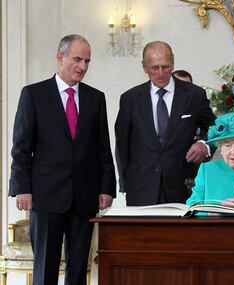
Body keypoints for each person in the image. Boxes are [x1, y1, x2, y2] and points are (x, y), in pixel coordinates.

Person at [9, 34, 116, 285]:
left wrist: (106, 187)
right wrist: (22, 188)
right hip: (46, 196)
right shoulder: (33, 94)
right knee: (45, 267)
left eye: (87, 61)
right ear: (60, 57)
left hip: (85, 196)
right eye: (77, 59)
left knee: (78, 268)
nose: (82, 67)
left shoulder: (95, 98)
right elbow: (21, 146)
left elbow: (103, 147)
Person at [115, 41, 216, 206]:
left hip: (182, 185)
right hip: (140, 187)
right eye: (155, 68)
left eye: (166, 66)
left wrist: (205, 145)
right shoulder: (130, 98)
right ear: (144, 67)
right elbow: (122, 145)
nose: (161, 73)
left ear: (173, 63)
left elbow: (214, 128)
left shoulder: (194, 95)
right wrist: (125, 183)